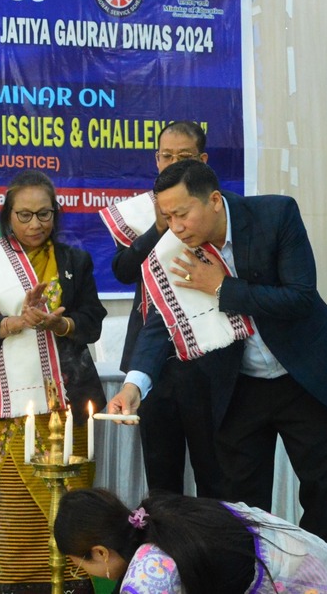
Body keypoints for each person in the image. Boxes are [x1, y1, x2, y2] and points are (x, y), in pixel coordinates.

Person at [109, 160, 327, 548]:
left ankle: (321, 570)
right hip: (240, 383)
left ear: (214, 200)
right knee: (242, 501)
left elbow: (300, 297)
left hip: (302, 375)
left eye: (182, 214)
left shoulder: (275, 215)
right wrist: (134, 385)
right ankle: (252, 571)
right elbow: (162, 322)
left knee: (320, 488)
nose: (175, 227)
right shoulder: (174, 249)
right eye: (167, 217)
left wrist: (222, 288)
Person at [0, 170, 107, 594]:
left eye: (44, 214)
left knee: (71, 495)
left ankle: (74, 580)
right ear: (8, 216)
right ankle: (18, 581)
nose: (36, 224)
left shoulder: (75, 261)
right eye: (25, 215)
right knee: (16, 502)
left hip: (66, 397)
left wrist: (62, 325)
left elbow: (93, 320)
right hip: (8, 402)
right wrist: (16, 322)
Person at [100, 121, 225, 497]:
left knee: (214, 470)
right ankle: (164, 535)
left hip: (208, 355)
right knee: (161, 474)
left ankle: (212, 534)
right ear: (156, 159)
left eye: (183, 156)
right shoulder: (141, 213)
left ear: (203, 160)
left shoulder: (212, 208)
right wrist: (157, 229)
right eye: (166, 156)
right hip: (152, 357)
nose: (173, 162)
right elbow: (124, 271)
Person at [53, 488, 327, 594]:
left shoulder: (146, 576)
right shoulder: (155, 514)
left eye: (80, 566)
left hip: (300, 583)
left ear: (100, 552)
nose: (84, 573)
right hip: (301, 565)